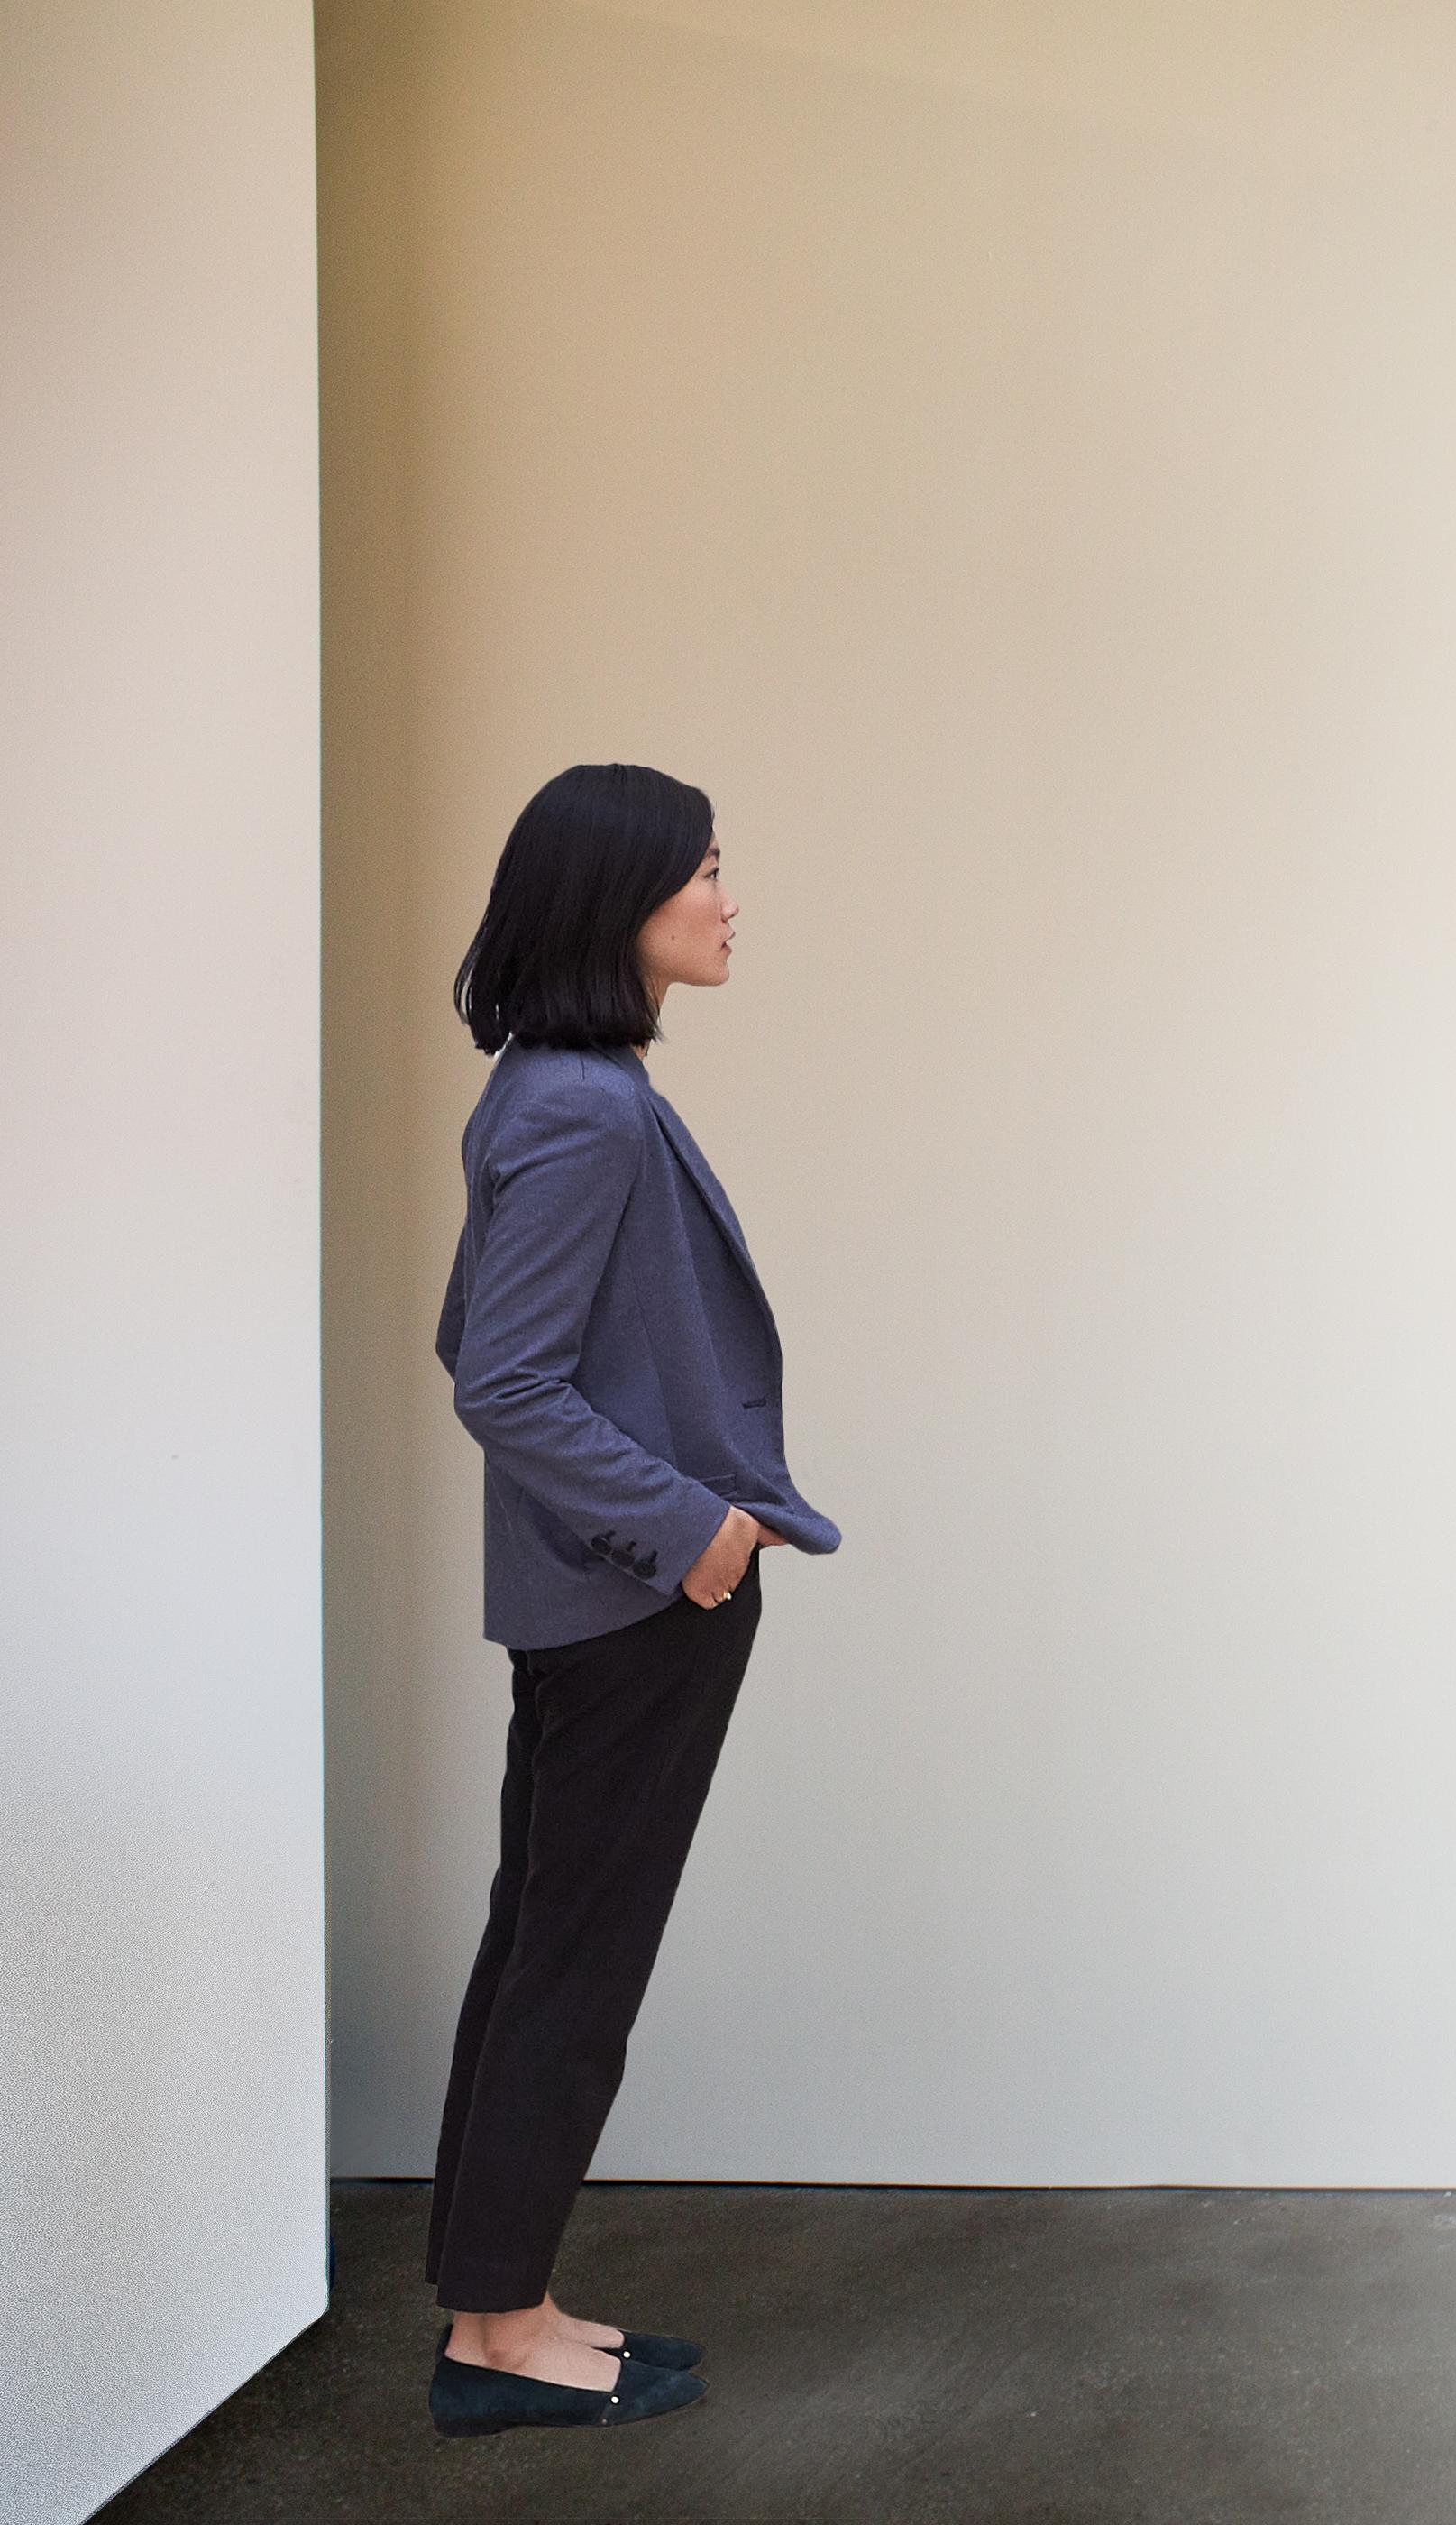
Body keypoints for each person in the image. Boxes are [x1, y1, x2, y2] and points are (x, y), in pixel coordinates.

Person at [419, 763, 840, 2438]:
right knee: (574, 1966)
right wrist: (691, 1531)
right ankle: (497, 2339)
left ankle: (498, 2309)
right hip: (633, 1604)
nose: (731, 899)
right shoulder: (585, 1107)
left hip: (594, 1598)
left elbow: (473, 1344)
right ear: (624, 903)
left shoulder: (549, 1085)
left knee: (541, 1950)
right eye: (709, 870)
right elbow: (504, 1382)